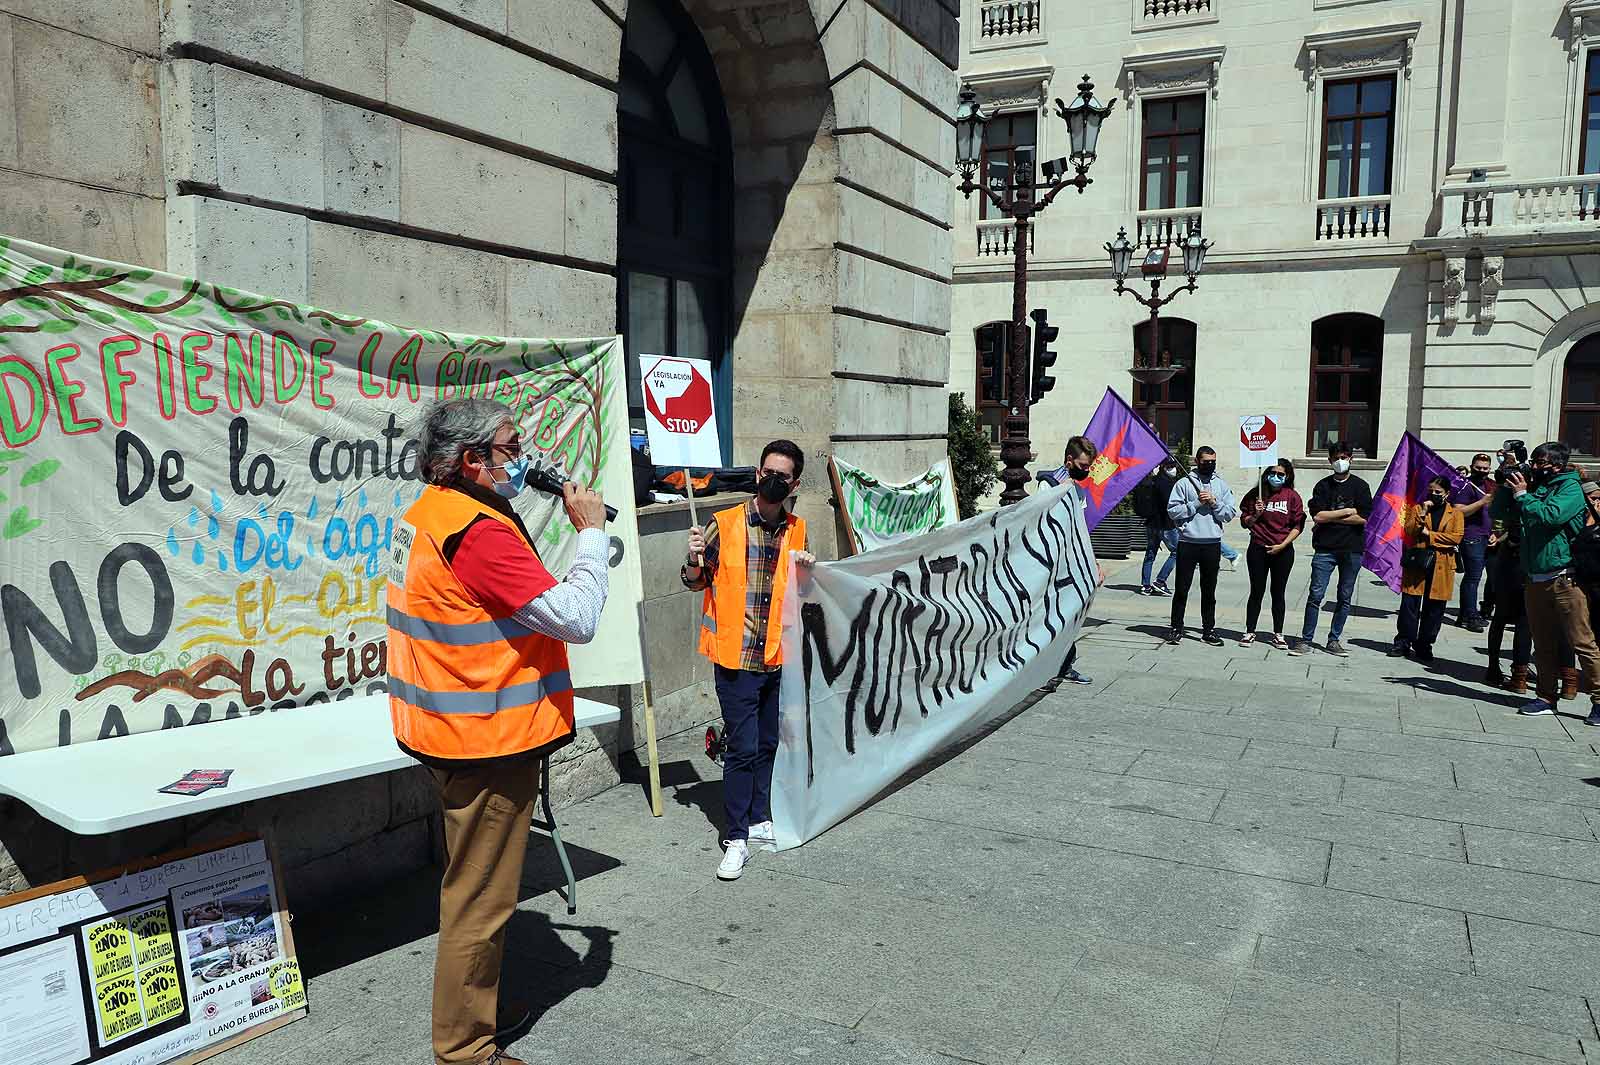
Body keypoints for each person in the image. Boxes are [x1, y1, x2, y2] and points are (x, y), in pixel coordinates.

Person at [387, 398, 610, 1065]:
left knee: (477, 888)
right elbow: (576, 615)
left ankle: (475, 1005)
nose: (525, 456)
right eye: (512, 447)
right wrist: (590, 533)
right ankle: (465, 1048)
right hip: (484, 739)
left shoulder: (434, 509)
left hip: (455, 728)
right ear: (472, 460)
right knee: (480, 899)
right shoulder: (474, 531)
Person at [684, 440, 817, 879]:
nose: (772, 480)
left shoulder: (797, 529)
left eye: (782, 475)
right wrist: (692, 559)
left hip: (776, 657)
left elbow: (801, 590)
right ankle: (735, 836)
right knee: (740, 749)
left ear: (794, 483)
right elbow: (694, 581)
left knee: (767, 743)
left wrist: (811, 570)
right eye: (767, 472)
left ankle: (759, 818)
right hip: (735, 657)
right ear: (757, 474)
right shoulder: (724, 524)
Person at [1507, 441, 1600, 723]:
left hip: (1565, 577)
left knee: (1581, 641)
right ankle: (1546, 697)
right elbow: (1503, 514)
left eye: (1539, 462)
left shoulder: (1570, 488)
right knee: (1543, 642)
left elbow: (1552, 515)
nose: (1534, 467)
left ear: (1557, 465)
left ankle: (1599, 699)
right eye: (1533, 461)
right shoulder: (1536, 487)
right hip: (1536, 577)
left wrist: (1523, 495)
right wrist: (1507, 485)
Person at [1290, 441, 1373, 658]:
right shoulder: (1323, 486)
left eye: (1344, 457)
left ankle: (1334, 639)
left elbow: (1363, 519)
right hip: (1325, 549)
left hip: (1352, 550)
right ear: (1329, 460)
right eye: (1337, 457)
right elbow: (1318, 516)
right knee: (1315, 594)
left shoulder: (1361, 486)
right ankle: (1306, 639)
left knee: (1344, 596)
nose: (1340, 461)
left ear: (1351, 459)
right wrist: (1347, 511)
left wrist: (1332, 517)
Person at [1041, 436, 1106, 686]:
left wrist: (1093, 563)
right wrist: (1060, 491)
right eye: (1083, 466)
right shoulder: (1048, 485)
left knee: (1070, 616)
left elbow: (1082, 530)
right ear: (1069, 461)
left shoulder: (1079, 490)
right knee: (1049, 618)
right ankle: (1045, 670)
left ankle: (1065, 664)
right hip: (1050, 565)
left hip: (1071, 563)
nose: (1086, 471)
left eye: (1089, 466)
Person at [1165, 446, 1237, 645]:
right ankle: (1175, 627)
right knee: (1182, 588)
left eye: (1213, 461)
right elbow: (1173, 511)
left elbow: (1229, 514)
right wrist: (1196, 503)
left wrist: (1214, 503)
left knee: (1209, 589)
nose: (1210, 465)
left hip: (1212, 544)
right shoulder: (1183, 484)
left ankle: (1209, 629)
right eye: (1206, 461)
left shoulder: (1221, 484)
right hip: (1188, 542)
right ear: (1197, 461)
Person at [1390, 475, 1463, 661]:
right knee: (1410, 603)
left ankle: (1425, 643)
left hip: (1442, 564)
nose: (1434, 494)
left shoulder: (1455, 514)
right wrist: (1423, 512)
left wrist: (1429, 535)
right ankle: (1403, 641)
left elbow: (1455, 538)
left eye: (1438, 492)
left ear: (1447, 493)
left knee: (1435, 607)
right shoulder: (1417, 509)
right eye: (1431, 491)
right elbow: (1410, 531)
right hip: (1419, 561)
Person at [1238, 459, 1305, 649]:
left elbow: (1297, 526)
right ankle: (1250, 631)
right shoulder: (1256, 495)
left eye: (1281, 474)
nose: (1276, 477)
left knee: (1278, 592)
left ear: (1287, 476)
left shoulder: (1292, 496)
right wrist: (1256, 515)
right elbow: (1245, 522)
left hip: (1282, 551)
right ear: (1266, 474)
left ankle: (1278, 634)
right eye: (1273, 473)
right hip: (1258, 548)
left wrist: (1282, 545)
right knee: (1256, 591)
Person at [1485, 455, 1534, 692]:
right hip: (1509, 561)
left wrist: (1523, 494)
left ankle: (1520, 675)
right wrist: (1506, 487)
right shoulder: (1512, 494)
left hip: (1527, 563)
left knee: (1525, 621)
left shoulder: (1536, 494)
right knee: (1502, 616)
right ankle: (1494, 665)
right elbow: (1496, 511)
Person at [1451, 453, 1495, 631]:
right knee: (1473, 577)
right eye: (1478, 468)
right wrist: (1481, 502)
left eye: (1485, 468)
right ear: (1472, 466)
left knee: (1488, 578)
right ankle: (1470, 616)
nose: (1482, 471)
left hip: (1488, 536)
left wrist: (1496, 533)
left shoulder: (1491, 485)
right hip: (1471, 536)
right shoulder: (1465, 486)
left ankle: (1465, 614)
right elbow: (1458, 511)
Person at [1132, 458, 1180, 595]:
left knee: (1150, 554)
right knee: (1177, 551)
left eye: (1174, 466)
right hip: (1164, 524)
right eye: (1171, 466)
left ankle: (1145, 585)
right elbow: (1169, 504)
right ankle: (1160, 580)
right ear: (1163, 467)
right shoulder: (1165, 483)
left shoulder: (1152, 481)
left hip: (1151, 524)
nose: (1173, 469)